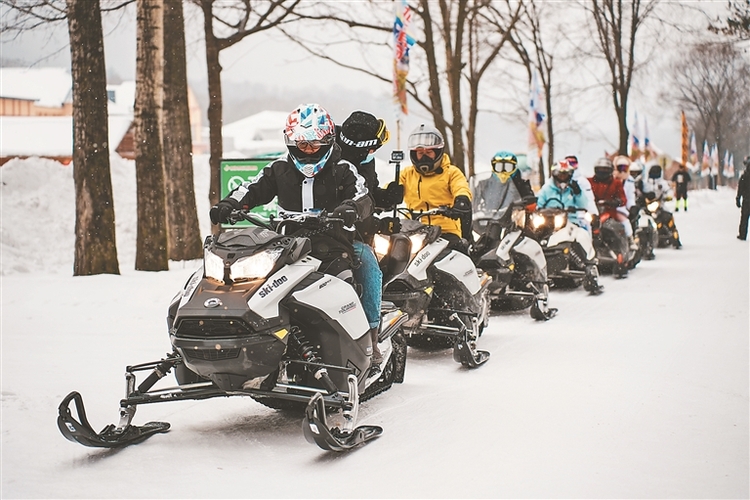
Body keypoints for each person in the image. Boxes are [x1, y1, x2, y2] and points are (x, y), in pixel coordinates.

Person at [209, 102, 378, 353]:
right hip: (286, 246)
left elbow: (364, 196)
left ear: (328, 142)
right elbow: (251, 188)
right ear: (291, 143)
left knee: (364, 268)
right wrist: (230, 203)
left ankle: (369, 338)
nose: (308, 152)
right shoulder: (279, 168)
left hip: (333, 244)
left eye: (314, 145)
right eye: (301, 145)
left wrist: (352, 208)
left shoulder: (344, 169)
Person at [337, 110, 403, 374]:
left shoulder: (365, 160)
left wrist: (387, 198)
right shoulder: (333, 161)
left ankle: (371, 336)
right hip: (335, 233)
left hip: (357, 237)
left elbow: (368, 194)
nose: (375, 150)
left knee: (370, 268)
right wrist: (375, 223)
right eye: (374, 146)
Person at [399, 124, 473, 252]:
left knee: (453, 257)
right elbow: (393, 187)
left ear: (438, 153)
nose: (424, 157)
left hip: (445, 230)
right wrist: (386, 196)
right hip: (412, 229)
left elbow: (461, 187)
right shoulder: (407, 173)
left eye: (429, 152)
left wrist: (462, 200)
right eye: (420, 153)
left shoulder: (451, 172)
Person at [537, 160, 602, 293]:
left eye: (565, 175)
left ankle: (589, 264)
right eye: (560, 175)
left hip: (570, 219)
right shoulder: (547, 188)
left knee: (581, 235)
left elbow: (584, 203)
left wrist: (578, 193)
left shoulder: (574, 187)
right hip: (548, 222)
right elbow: (539, 203)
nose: (562, 178)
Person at [589, 157, 637, 251]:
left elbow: (624, 198)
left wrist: (615, 202)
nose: (602, 172)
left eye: (605, 170)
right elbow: (583, 192)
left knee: (624, 221)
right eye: (600, 169)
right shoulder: (589, 182)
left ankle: (630, 239)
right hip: (592, 210)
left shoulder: (617, 183)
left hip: (610, 211)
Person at [642, 162, 682, 249]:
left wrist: (668, 196)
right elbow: (642, 191)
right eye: (653, 172)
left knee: (668, 217)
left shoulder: (662, 183)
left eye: (656, 172)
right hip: (648, 205)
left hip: (660, 205)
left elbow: (669, 190)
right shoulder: (646, 183)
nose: (654, 174)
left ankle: (675, 237)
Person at [564, 154, 599, 232]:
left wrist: (594, 213)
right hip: (561, 216)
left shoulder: (582, 181)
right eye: (568, 163)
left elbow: (589, 199)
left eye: (573, 163)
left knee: (585, 233)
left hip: (579, 216)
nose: (571, 166)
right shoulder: (555, 181)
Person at [737, 157, 750, 241]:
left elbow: (740, 188)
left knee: (744, 218)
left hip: (747, 200)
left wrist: (738, 198)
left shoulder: (744, 176)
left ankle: (742, 235)